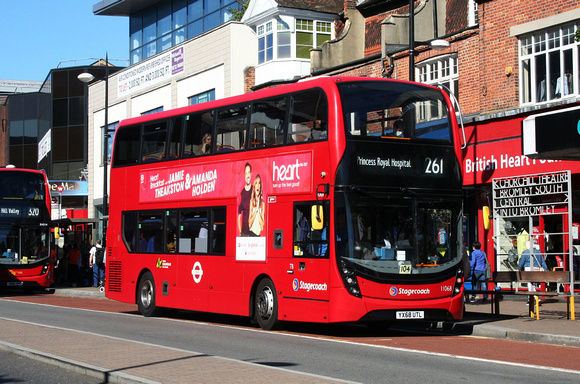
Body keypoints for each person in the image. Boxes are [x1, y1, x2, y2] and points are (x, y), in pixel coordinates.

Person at [238, 162, 253, 236]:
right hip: (244, 233)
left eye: (249, 173)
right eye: (246, 173)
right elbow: (239, 216)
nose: (247, 175)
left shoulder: (254, 191)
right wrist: (241, 232)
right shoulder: (242, 193)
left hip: (252, 232)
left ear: (251, 174)